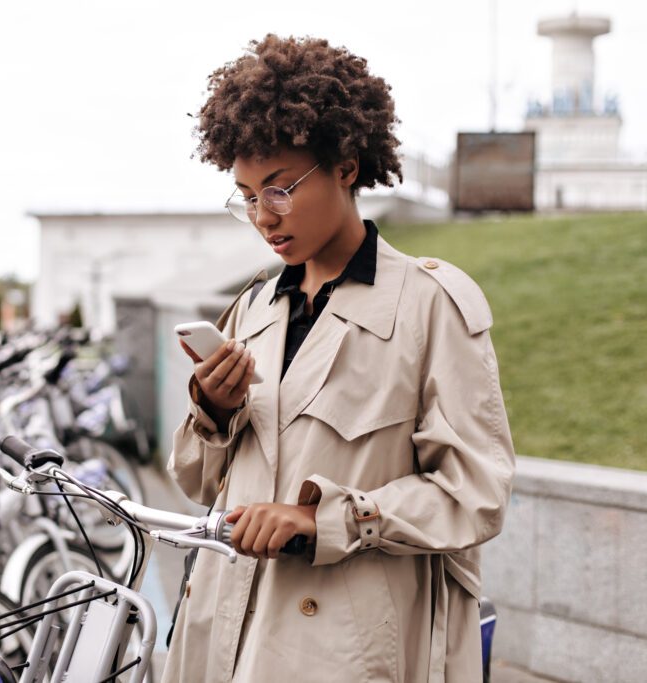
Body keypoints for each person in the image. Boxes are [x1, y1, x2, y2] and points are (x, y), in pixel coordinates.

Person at [163, 34, 516, 683]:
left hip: (345, 651)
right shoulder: (252, 308)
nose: (263, 218)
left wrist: (325, 516)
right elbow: (193, 481)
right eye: (245, 195)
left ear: (346, 165)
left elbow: (476, 494)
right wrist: (213, 410)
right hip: (224, 636)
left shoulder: (430, 304)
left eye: (279, 189)